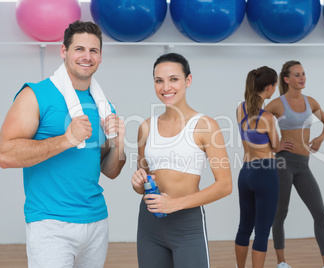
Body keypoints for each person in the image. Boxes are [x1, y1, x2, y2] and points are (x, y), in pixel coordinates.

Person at [0, 21, 126, 268]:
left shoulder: (103, 107)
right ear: (63, 52)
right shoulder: (36, 95)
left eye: (94, 51)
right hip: (50, 224)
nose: (86, 56)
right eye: (79, 49)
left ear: (100, 57)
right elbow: (5, 154)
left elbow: (109, 171)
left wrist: (119, 143)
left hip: (96, 221)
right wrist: (67, 140)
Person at [131, 52, 232, 268]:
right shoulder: (146, 127)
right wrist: (138, 183)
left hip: (187, 224)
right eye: (159, 81)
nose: (166, 87)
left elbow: (225, 185)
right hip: (150, 224)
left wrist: (174, 204)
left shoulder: (205, 125)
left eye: (173, 79)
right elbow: (145, 180)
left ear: (188, 80)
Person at [264, 61, 324, 268]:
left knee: (320, 214)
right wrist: (275, 146)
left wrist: (320, 138)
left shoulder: (311, 102)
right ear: (287, 79)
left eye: (304, 74)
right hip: (283, 164)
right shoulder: (276, 104)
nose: (302, 78)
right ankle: (281, 263)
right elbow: (255, 130)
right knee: (280, 212)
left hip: (303, 165)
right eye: (297, 75)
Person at [234, 66, 288, 268]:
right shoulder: (267, 118)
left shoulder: (240, 109)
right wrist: (281, 143)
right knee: (262, 231)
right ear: (270, 88)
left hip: (245, 172)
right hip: (265, 173)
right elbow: (275, 146)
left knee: (244, 227)